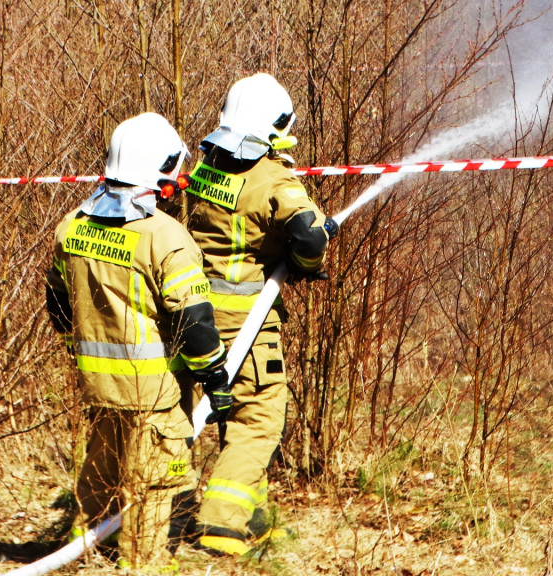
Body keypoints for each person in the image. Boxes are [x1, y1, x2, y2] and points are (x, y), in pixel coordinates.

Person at [45, 112, 232, 571]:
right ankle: (141, 566)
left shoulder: (71, 226)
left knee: (100, 478)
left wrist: (78, 351)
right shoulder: (166, 238)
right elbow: (194, 322)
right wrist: (215, 377)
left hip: (99, 388)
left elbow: (58, 303)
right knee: (150, 490)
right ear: (159, 169)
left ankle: (85, 557)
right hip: (155, 396)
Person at [185, 73, 337, 557]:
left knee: (215, 414)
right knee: (258, 420)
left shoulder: (207, 167)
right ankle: (221, 524)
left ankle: (251, 518)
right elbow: (308, 236)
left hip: (192, 314)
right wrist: (308, 260)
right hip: (246, 320)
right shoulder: (273, 177)